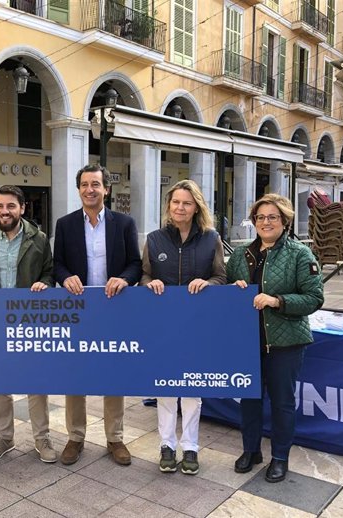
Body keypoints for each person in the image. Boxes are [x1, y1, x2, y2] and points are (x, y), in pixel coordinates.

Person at [227, 193, 323, 483]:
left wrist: (277, 300)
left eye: (272, 217)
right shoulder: (240, 254)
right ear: (254, 221)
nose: (265, 222)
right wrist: (234, 287)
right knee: (249, 399)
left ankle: (280, 457)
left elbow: (314, 298)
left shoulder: (299, 254)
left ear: (284, 221)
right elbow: (227, 293)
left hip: (285, 343)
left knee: (282, 402)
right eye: (260, 217)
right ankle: (251, 450)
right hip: (248, 341)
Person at [53, 164, 141, 466]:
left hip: (113, 308)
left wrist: (125, 279)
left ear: (107, 189)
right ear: (79, 190)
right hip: (77, 311)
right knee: (74, 375)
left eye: (95, 184)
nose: (90, 189)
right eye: (84, 185)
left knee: (112, 375)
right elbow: (58, 264)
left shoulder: (125, 223)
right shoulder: (64, 225)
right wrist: (65, 278)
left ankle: (115, 437)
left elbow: (135, 263)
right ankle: (75, 437)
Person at [140, 179, 226, 475]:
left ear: (196, 207)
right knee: (165, 388)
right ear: (168, 206)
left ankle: (190, 447)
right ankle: (166, 444)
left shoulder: (211, 238)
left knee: (191, 389)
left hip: (197, 327)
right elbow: (144, 276)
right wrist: (150, 283)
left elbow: (221, 277)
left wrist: (209, 283)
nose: (180, 207)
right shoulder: (153, 239)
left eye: (186, 203)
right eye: (176, 202)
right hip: (163, 326)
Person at [0, 185, 56, 463]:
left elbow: (49, 272)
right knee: (0, 384)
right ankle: (4, 437)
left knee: (36, 383)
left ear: (22, 208)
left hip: (29, 321)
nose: (4, 211)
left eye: (10, 206)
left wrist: (45, 283)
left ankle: (42, 438)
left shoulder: (38, 239)